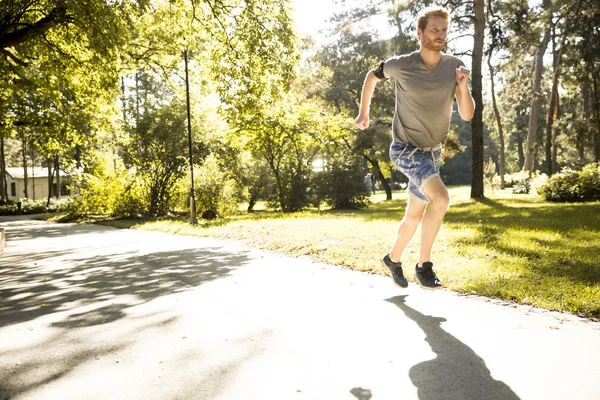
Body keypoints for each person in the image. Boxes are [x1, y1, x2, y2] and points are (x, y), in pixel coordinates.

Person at [355, 6, 474, 289]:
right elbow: (372, 76)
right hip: (406, 149)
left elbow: (467, 114)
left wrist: (464, 86)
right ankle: (424, 266)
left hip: (432, 152)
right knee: (441, 199)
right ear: (420, 33)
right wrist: (364, 113)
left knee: (414, 214)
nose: (440, 35)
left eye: (444, 30)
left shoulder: (453, 67)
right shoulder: (402, 64)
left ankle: (393, 259)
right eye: (434, 29)